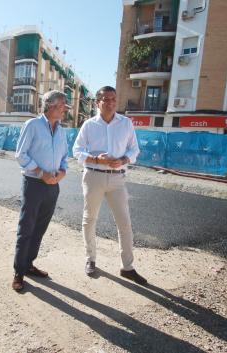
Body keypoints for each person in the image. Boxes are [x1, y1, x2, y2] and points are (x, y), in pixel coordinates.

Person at [72, 86, 147, 285]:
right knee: (89, 219)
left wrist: (123, 160)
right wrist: (96, 159)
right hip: (94, 176)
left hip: (117, 179)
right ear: (98, 103)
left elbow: (134, 150)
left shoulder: (126, 123)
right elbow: (77, 150)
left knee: (125, 223)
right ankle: (91, 259)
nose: (111, 102)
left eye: (113, 98)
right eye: (106, 99)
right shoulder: (89, 125)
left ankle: (127, 267)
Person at [12, 90, 69, 291]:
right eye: (63, 104)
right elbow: (20, 155)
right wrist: (40, 171)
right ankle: (19, 272)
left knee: (40, 229)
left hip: (53, 185)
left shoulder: (61, 130)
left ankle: (28, 265)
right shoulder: (33, 125)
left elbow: (65, 156)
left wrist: (62, 171)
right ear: (51, 105)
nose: (65, 108)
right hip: (34, 184)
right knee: (26, 227)